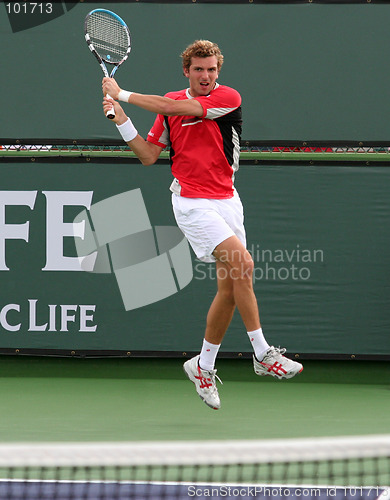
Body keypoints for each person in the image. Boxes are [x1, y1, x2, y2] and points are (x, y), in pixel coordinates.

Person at [101, 40, 303, 410]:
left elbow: (172, 106)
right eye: (199, 69)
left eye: (211, 69)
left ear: (218, 72)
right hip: (192, 203)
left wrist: (123, 93)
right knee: (244, 265)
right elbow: (148, 156)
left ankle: (203, 365)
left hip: (228, 200)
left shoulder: (227, 97)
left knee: (229, 289)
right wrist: (122, 119)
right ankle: (261, 353)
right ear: (186, 71)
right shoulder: (170, 105)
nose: (206, 76)